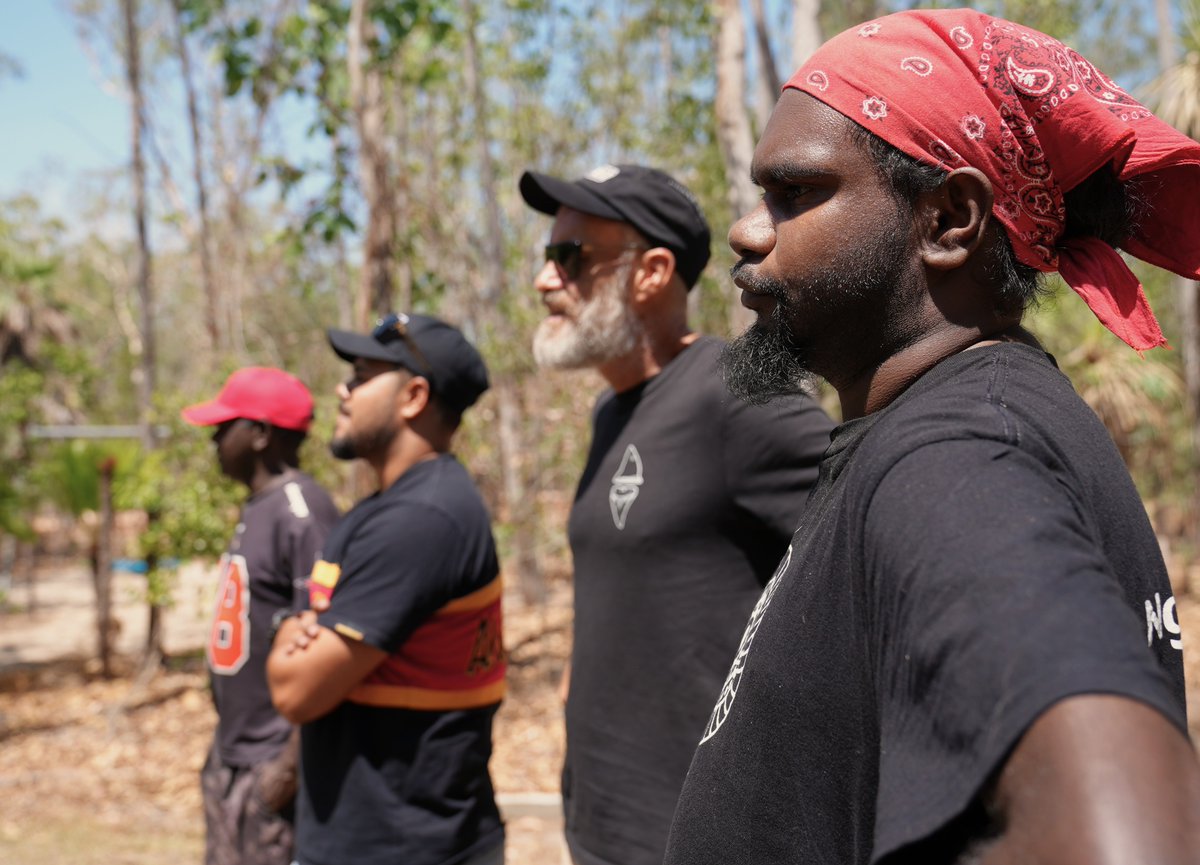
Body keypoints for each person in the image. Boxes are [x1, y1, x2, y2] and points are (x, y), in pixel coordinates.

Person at [664, 9, 1200, 865]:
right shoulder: (947, 425)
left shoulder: (955, 453)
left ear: (949, 218)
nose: (747, 230)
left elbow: (1120, 830)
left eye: (794, 193)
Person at [519, 163, 834, 865]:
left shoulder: (738, 394)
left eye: (570, 257)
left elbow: (866, 551)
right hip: (601, 826)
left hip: (697, 835)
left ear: (652, 272)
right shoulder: (611, 411)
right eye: (547, 255)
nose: (545, 280)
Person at [266, 313, 506, 865]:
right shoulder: (388, 508)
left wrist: (286, 635)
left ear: (414, 396)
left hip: (406, 847)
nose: (341, 390)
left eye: (361, 375)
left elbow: (294, 692)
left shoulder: (422, 519)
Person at [182, 366, 340, 865]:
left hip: (271, 761)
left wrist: (289, 766)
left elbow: (327, 647)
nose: (213, 439)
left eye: (223, 426)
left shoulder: (303, 513)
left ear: (260, 434)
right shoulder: (259, 507)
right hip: (234, 752)